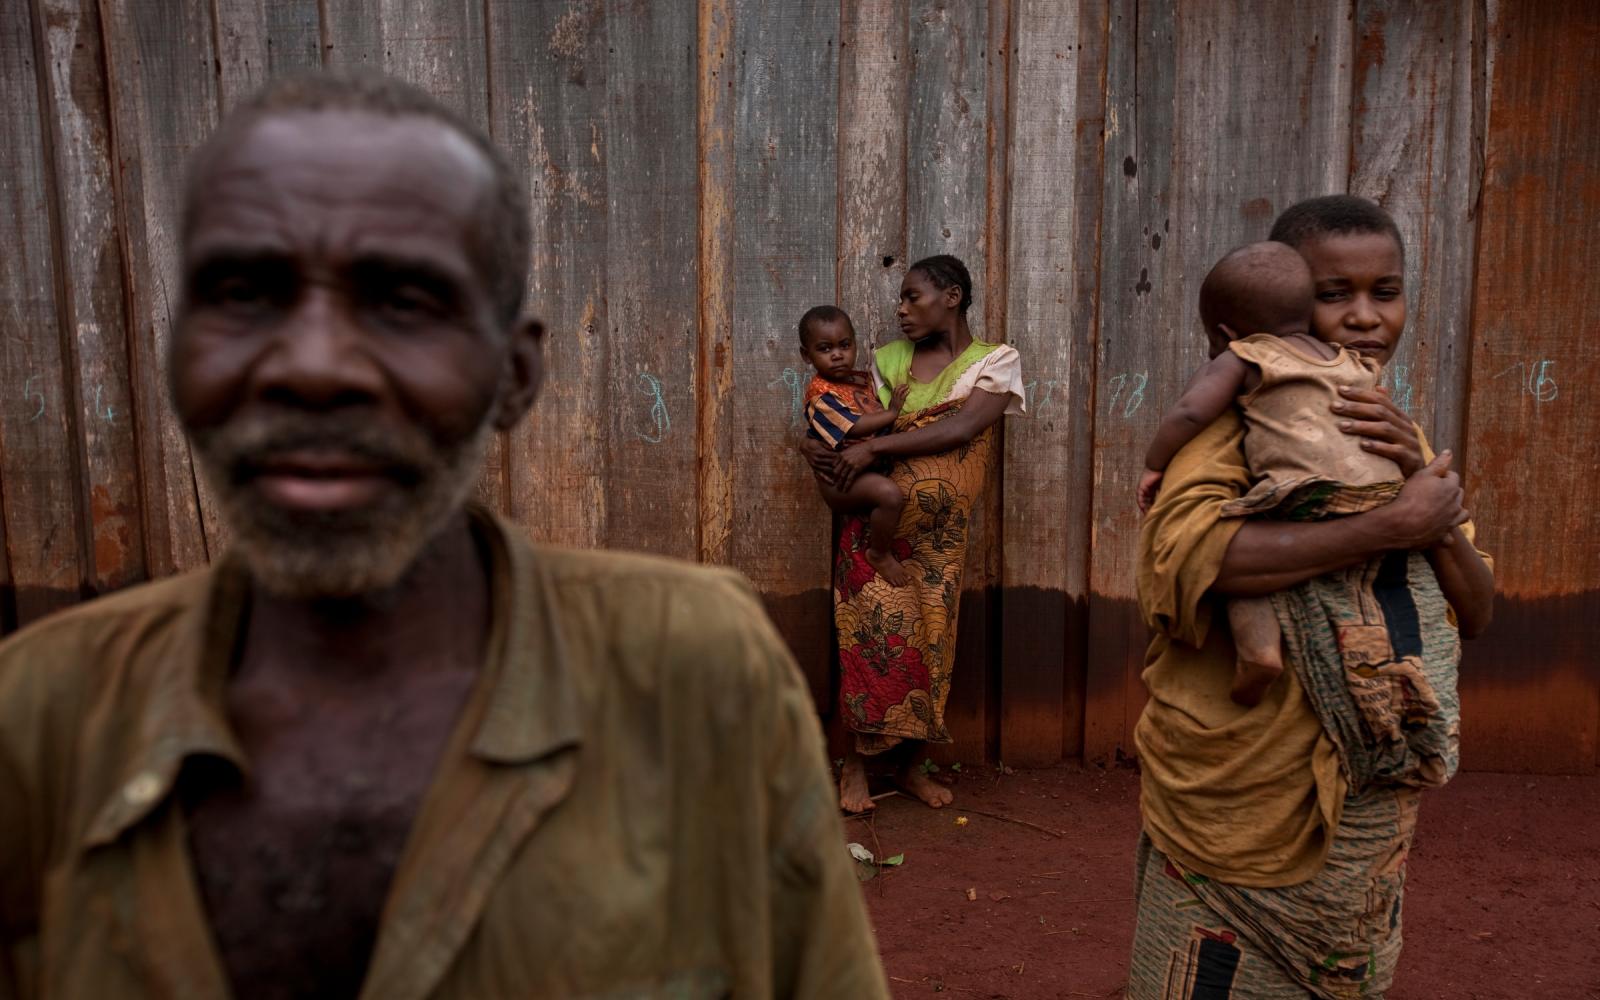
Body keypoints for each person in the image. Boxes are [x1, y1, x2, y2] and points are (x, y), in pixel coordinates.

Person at [0, 71, 889, 1000]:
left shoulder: (698, 672)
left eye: (404, 303)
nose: (313, 369)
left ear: (513, 374)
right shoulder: (38, 719)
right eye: (242, 293)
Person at [1126, 195, 1494, 998]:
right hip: (1243, 811)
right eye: (1335, 295)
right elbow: (1191, 560)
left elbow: (1479, 608)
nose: (1366, 318)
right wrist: (1395, 522)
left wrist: (1425, 512)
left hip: (1366, 811)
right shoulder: (1235, 432)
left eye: (1385, 292)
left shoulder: (1391, 433)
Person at [1137, 242, 1406, 707]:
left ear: (1225, 332)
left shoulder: (1249, 356)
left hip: (1306, 492)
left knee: (1242, 536)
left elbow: (1189, 413)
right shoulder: (1353, 363)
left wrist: (1154, 463)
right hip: (1383, 488)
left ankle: (1259, 652)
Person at [805, 255, 1025, 815]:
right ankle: (855, 764)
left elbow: (963, 427)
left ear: (951, 297)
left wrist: (875, 446)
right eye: (900, 300)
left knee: (931, 647)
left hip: (940, 544)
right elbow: (845, 432)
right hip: (875, 533)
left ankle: (908, 767)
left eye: (913, 298)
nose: (901, 311)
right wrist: (829, 449)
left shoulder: (995, 361)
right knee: (872, 640)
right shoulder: (884, 362)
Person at [798, 305, 913, 587]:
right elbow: (854, 426)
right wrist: (892, 412)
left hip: (865, 470)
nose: (837, 355)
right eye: (825, 349)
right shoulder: (821, 395)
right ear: (807, 355)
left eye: (844, 345)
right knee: (889, 496)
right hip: (840, 480)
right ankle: (879, 554)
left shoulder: (861, 380)